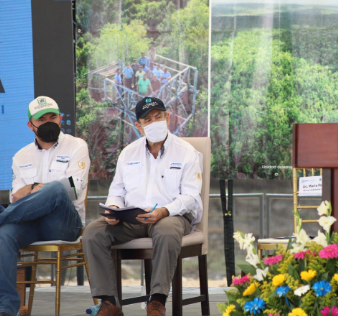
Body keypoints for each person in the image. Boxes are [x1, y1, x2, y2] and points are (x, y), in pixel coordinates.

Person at [83, 97, 203, 316]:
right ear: (138, 126)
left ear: (168, 117)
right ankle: (109, 303)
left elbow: (191, 197)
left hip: (172, 216)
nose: (155, 121)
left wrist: (163, 211)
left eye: (159, 116)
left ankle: (157, 301)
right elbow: (117, 191)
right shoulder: (128, 153)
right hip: (133, 218)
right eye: (148, 119)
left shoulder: (187, 152)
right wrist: (113, 209)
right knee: (93, 232)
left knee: (166, 231)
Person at [0, 96, 89, 316]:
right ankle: (6, 308)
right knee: (4, 235)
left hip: (66, 223)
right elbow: (17, 198)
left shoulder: (77, 145)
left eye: (53, 116)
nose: (49, 121)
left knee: (56, 190)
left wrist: (38, 187)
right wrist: (35, 187)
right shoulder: (21, 156)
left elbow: (73, 188)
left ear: (60, 119)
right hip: (31, 223)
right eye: (42, 119)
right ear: (31, 125)